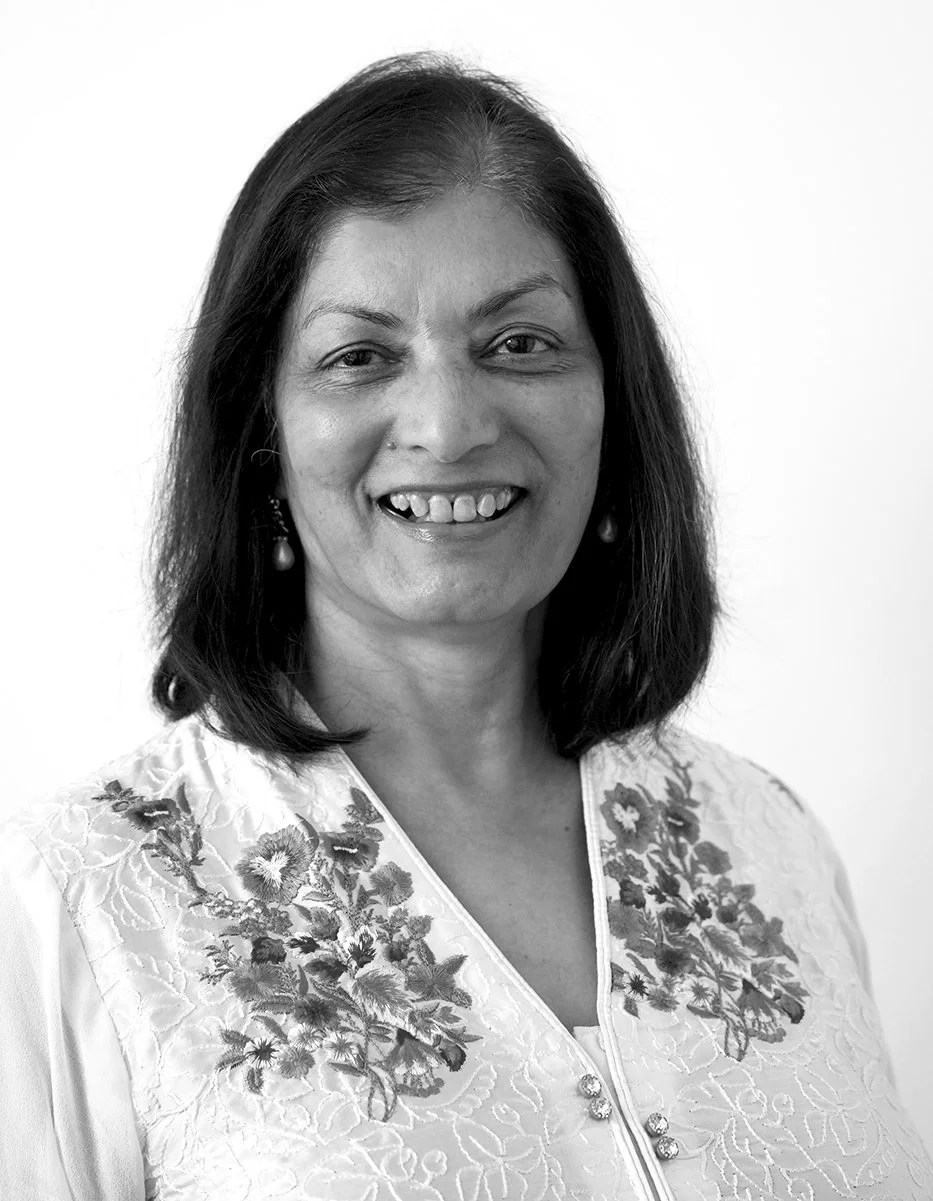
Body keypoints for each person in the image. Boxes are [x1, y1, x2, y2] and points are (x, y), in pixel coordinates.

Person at [1, 49, 928, 1201]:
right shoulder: (78, 901)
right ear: (263, 438)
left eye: (519, 343)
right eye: (360, 357)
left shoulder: (779, 847)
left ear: (612, 406)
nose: (446, 424)